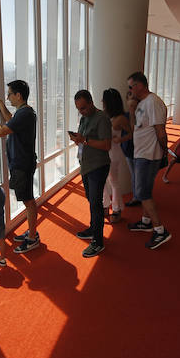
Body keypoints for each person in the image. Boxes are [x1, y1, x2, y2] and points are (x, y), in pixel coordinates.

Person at [0, 79, 40, 253]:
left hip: (22, 164)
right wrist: (1, 106)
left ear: (18, 95)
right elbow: (11, 122)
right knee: (27, 199)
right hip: (23, 162)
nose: (8, 97)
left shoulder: (24, 114)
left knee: (28, 200)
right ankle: (32, 232)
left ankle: (32, 237)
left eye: (9, 94)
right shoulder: (25, 112)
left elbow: (1, 131)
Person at [126, 72, 172, 249]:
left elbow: (161, 131)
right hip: (141, 153)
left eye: (131, 86)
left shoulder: (153, 102)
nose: (129, 91)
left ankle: (160, 230)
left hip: (148, 155)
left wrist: (164, 151)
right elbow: (134, 128)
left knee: (142, 193)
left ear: (140, 85)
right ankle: (146, 222)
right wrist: (131, 109)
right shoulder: (141, 104)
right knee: (145, 190)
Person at [70, 90, 112, 257]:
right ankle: (94, 228)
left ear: (91, 102)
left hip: (98, 166)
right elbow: (84, 140)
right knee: (91, 199)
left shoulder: (102, 119)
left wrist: (84, 140)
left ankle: (98, 241)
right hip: (86, 165)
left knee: (95, 203)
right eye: (79, 109)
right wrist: (78, 140)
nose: (81, 111)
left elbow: (107, 145)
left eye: (84, 108)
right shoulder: (84, 118)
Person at [101, 88, 132, 224]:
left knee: (113, 181)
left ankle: (117, 208)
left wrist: (120, 139)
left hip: (114, 153)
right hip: (102, 152)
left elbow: (132, 133)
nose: (102, 102)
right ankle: (105, 205)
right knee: (103, 180)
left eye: (104, 100)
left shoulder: (120, 118)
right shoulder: (103, 115)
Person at [123, 90, 141, 208]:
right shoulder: (124, 116)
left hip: (140, 150)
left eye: (134, 99)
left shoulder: (142, 116)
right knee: (134, 175)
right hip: (129, 150)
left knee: (138, 175)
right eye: (130, 99)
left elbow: (134, 132)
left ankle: (138, 197)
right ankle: (137, 197)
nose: (132, 101)